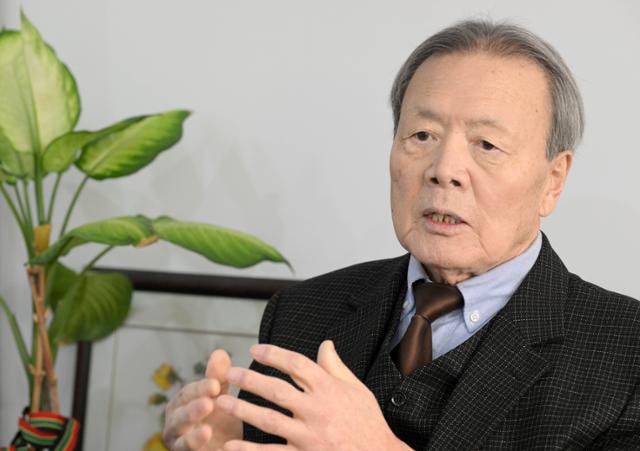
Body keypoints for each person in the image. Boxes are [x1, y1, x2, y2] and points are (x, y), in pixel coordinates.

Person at [162, 20, 640, 450]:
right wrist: (222, 441)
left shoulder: (627, 353)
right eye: (422, 136)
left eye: (487, 144)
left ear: (553, 179)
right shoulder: (302, 312)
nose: (444, 169)